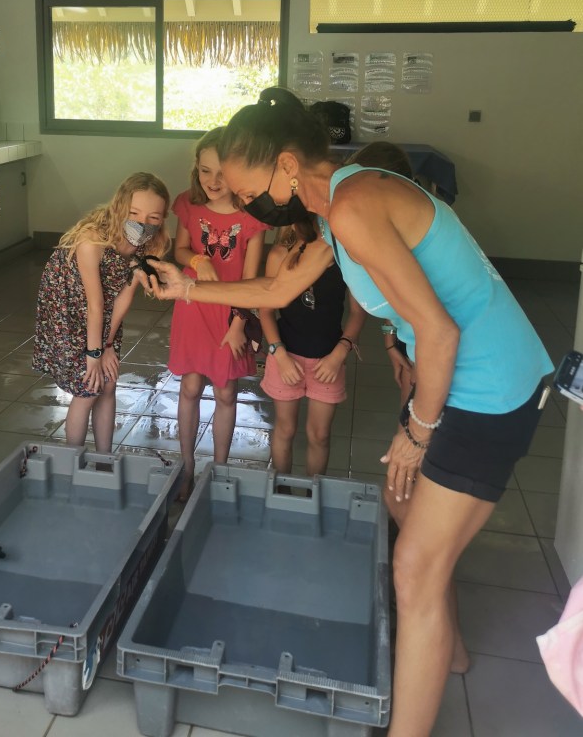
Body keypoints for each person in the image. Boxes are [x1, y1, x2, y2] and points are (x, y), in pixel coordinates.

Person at [147, 88, 553, 737]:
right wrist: (189, 287)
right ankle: (449, 649)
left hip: (488, 388)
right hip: (461, 378)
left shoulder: (355, 204)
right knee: (403, 504)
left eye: (247, 190)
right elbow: (278, 288)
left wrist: (418, 429)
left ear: (285, 166)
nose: (245, 204)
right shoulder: (338, 208)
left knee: (413, 568)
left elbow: (440, 331)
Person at [33, 173, 170, 451]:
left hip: (104, 313)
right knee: (88, 388)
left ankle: (104, 460)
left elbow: (124, 296)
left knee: (108, 385)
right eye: (134, 213)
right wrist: (94, 354)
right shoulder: (91, 240)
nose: (142, 223)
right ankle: (73, 462)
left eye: (153, 217)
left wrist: (107, 346)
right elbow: (93, 304)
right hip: (69, 314)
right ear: (119, 206)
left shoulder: (146, 243)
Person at [168, 128, 268, 500]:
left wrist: (239, 324)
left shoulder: (252, 216)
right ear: (196, 168)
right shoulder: (188, 204)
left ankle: (220, 471)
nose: (213, 181)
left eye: (222, 173)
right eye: (205, 171)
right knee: (190, 387)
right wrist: (198, 260)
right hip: (193, 307)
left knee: (226, 393)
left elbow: (251, 280)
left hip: (230, 317)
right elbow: (179, 250)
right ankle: (186, 468)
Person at [259, 215, 365, 476]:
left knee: (320, 434)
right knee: (285, 429)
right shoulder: (279, 255)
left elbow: (357, 312)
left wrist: (339, 354)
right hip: (285, 355)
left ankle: (312, 493)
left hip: (328, 359)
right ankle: (281, 488)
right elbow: (266, 311)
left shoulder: (346, 257)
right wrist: (279, 354)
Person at [347, 141, 415, 404]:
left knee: (417, 412)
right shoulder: (376, 230)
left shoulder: (416, 237)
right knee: (409, 400)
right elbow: (389, 290)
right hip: (412, 337)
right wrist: (391, 341)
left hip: (440, 345)